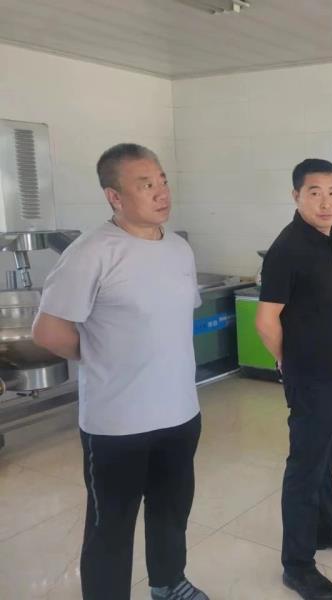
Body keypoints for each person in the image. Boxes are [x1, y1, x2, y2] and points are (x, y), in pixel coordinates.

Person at [32, 144, 208, 600]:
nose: (162, 192)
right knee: (111, 525)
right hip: (117, 422)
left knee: (171, 509)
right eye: (146, 185)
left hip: (180, 412)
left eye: (163, 180)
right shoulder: (91, 252)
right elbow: (48, 331)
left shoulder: (179, 249)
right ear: (114, 196)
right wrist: (101, 354)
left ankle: (168, 583)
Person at [255, 158, 332, 600]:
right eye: (314, 193)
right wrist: (290, 361)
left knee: (327, 458)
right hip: (311, 376)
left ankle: (326, 528)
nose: (325, 202)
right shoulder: (287, 248)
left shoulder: (330, 237)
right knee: (305, 467)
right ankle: (298, 564)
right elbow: (266, 320)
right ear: (296, 196)